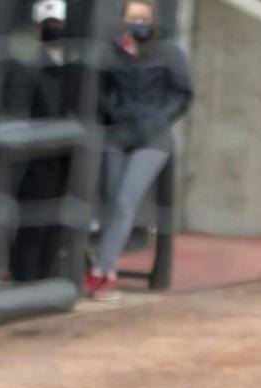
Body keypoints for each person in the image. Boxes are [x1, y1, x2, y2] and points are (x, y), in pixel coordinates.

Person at [88, 0, 190, 302]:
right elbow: (100, 90)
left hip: (153, 139)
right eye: (133, 18)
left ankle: (102, 271)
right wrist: (115, 112)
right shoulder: (111, 52)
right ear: (122, 20)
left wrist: (157, 121)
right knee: (111, 201)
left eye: (144, 18)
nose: (139, 23)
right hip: (117, 133)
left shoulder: (169, 51)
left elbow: (182, 94)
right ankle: (106, 267)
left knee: (124, 200)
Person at [4, 0, 75, 283]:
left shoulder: (72, 62)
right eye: (48, 23)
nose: (54, 28)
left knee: (54, 227)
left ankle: (43, 284)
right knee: (33, 226)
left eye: (58, 22)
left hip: (63, 157)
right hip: (35, 160)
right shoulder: (26, 61)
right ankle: (25, 284)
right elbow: (17, 110)